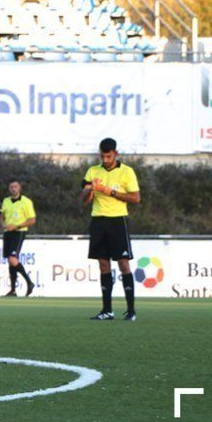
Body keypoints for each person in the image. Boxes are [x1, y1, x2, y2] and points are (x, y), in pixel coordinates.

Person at [81, 137, 141, 321]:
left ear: (115, 154)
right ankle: (107, 310)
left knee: (123, 263)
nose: (105, 160)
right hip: (98, 220)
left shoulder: (126, 172)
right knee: (103, 264)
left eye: (108, 156)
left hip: (117, 221)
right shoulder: (93, 171)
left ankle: (131, 311)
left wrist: (111, 192)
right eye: (103, 156)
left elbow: (136, 198)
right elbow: (84, 200)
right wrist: (89, 189)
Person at [0, 179, 36, 297]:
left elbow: (32, 220)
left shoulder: (26, 202)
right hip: (8, 233)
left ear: (19, 188)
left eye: (15, 186)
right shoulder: (6, 201)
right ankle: (13, 290)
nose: (13, 189)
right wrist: (5, 225)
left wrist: (17, 226)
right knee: (10, 262)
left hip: (19, 232)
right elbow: (2, 217)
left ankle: (29, 282)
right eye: (11, 187)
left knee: (12, 259)